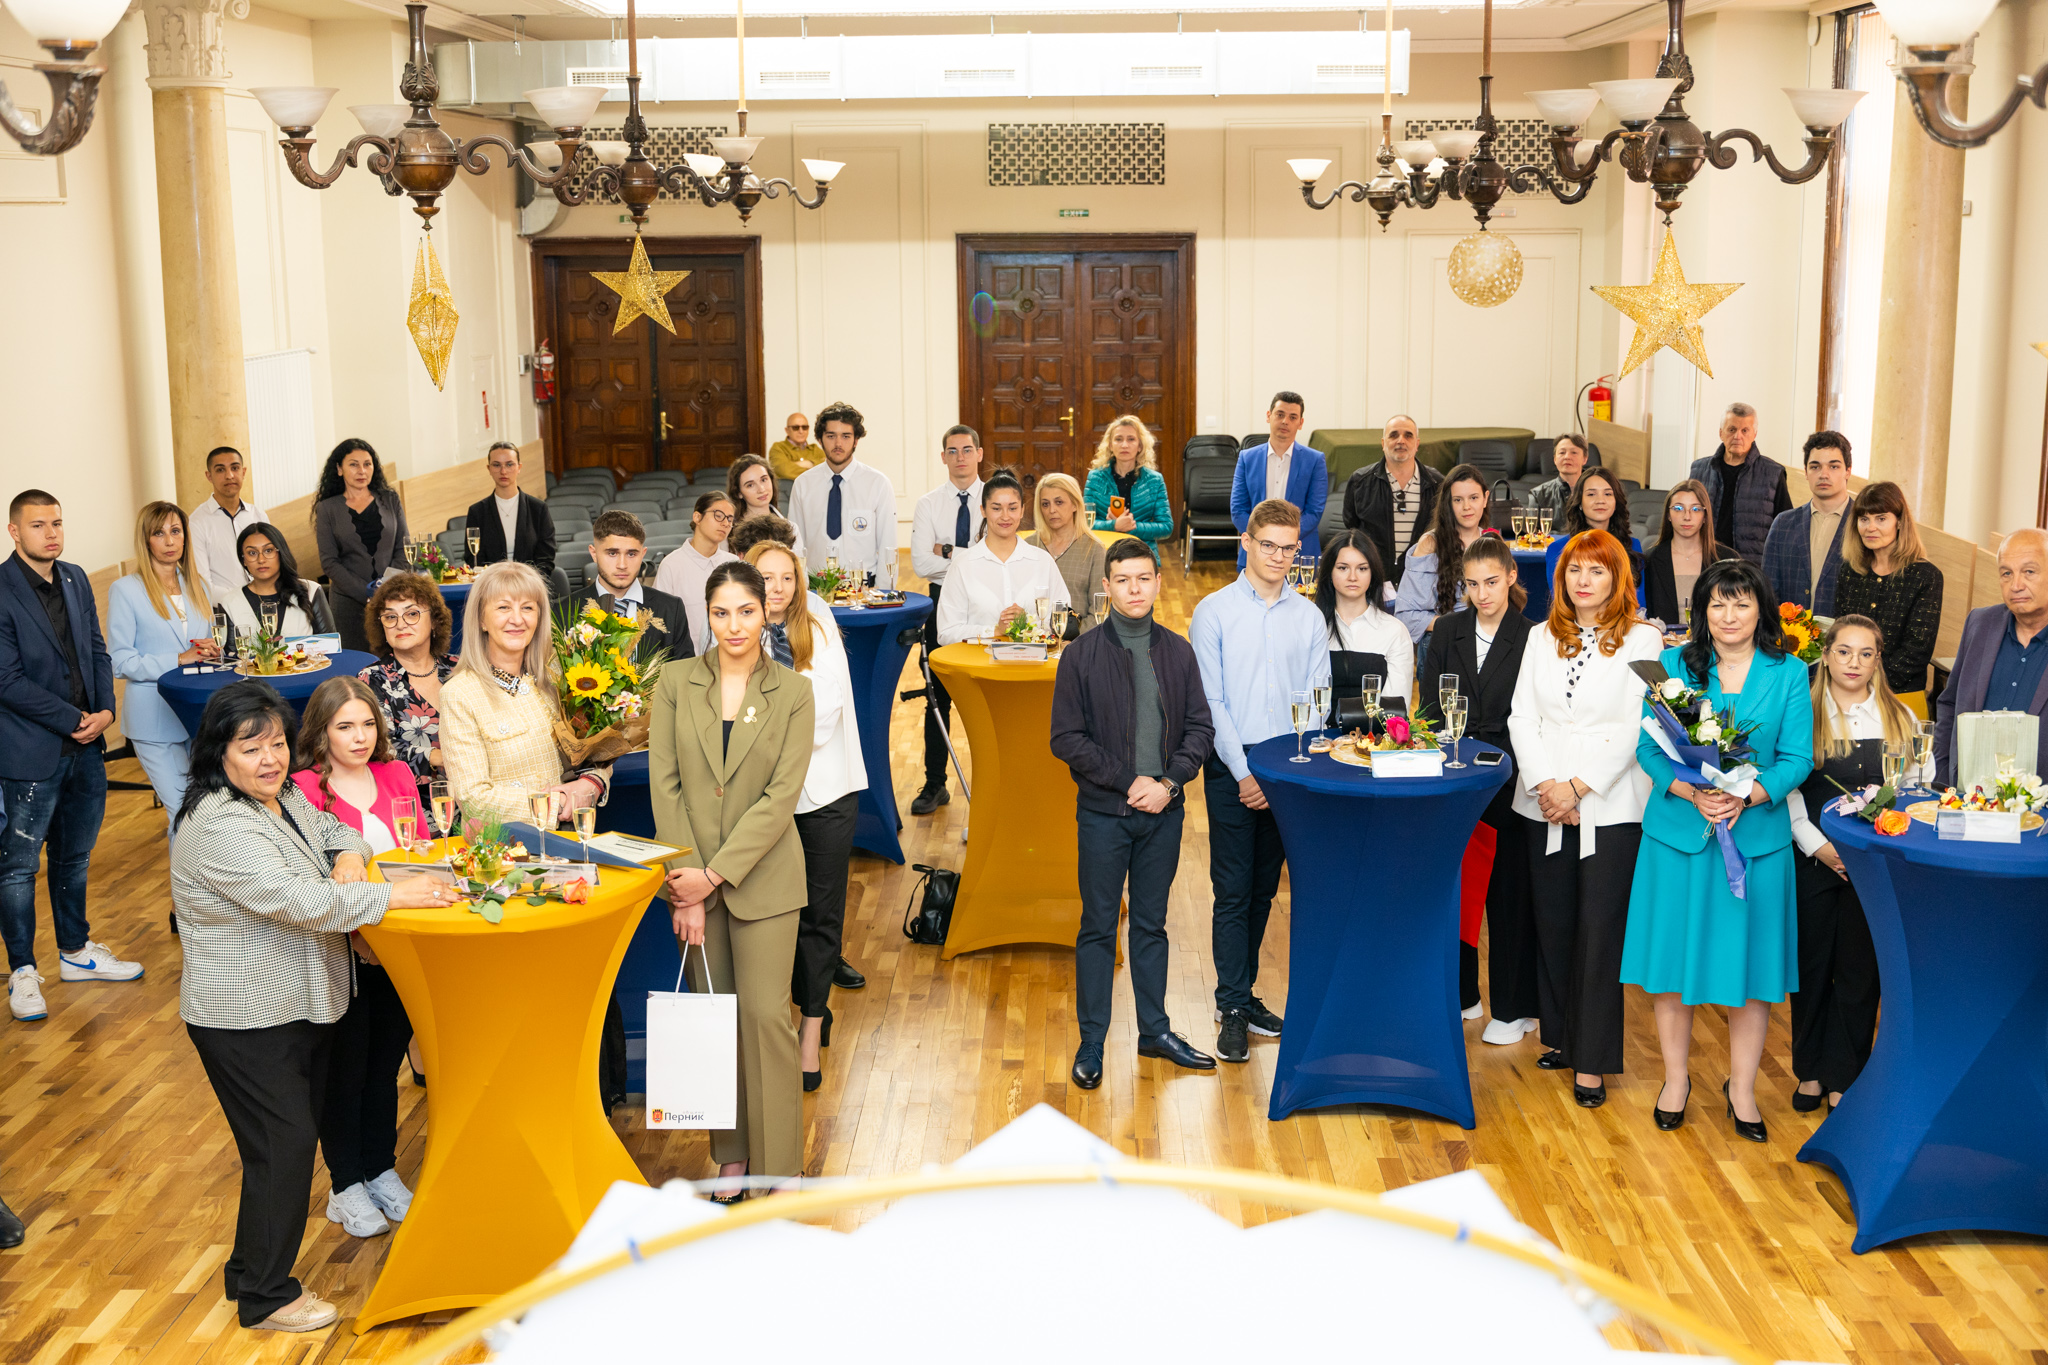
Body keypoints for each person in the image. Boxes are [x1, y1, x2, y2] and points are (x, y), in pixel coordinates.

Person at [171, 680, 457, 1332]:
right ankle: (268, 1296)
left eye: (276, 743)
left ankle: (248, 1272)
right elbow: (300, 901)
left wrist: (351, 857)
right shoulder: (219, 824)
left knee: (276, 1149)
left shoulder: (283, 797)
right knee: (287, 1146)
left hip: (302, 1002)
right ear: (219, 754)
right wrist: (394, 893)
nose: (270, 758)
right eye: (251, 748)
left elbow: (336, 829)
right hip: (246, 1015)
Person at [1622, 557, 1814, 1140]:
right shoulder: (1675, 665)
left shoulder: (1789, 672)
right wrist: (1692, 792)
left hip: (1755, 842)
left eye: (1742, 603)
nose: (1729, 615)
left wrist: (1747, 796)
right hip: (1678, 837)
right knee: (1672, 968)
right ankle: (1675, 1080)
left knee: (1749, 972)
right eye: (1718, 603)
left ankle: (1743, 1089)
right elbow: (1649, 748)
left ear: (1761, 610)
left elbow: (1798, 758)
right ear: (1702, 611)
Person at [649, 561, 814, 1199]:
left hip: (763, 880)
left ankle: (782, 1164)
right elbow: (667, 787)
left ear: (767, 611)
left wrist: (713, 875)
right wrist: (685, 882)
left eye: (746, 611)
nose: (734, 625)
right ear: (707, 615)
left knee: (766, 1018)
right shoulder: (674, 682)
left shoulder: (793, 692)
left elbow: (780, 798)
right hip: (690, 882)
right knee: (715, 1021)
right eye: (721, 613)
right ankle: (733, 1156)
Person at [1051, 537, 1217, 1088]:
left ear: (1158, 582)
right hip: (1104, 814)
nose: (1135, 589)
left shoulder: (1178, 652)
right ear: (1107, 586)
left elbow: (1200, 729)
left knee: (1151, 925)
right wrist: (1130, 782)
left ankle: (1155, 1032)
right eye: (1123, 580)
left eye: (1144, 578)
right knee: (1099, 927)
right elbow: (1066, 738)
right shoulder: (1080, 656)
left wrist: (1169, 784)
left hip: (1163, 813)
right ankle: (1092, 1041)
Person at [1505, 529, 1662, 1109]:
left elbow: (1640, 723)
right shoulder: (1541, 634)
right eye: (1574, 570)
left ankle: (1591, 1059)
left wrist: (1578, 786)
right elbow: (1521, 716)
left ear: (1617, 577)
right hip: (1543, 799)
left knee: (1599, 932)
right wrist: (1547, 785)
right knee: (1554, 921)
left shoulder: (1644, 638)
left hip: (1612, 804)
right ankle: (1561, 1035)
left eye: (1596, 570)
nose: (1583, 580)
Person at [1190, 498, 1332, 1063]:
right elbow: (1211, 701)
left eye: (1288, 547)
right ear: (1246, 542)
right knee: (1232, 889)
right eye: (1267, 544)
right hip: (1233, 763)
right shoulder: (1214, 612)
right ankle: (1230, 1006)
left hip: (1287, 767)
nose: (1277, 556)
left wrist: (1284, 769)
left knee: (1264, 890)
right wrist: (1246, 771)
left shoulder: (1308, 617)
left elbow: (1319, 699)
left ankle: (1244, 996)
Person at [290, 677, 421, 1239]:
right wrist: (359, 935)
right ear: (321, 731)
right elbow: (307, 884)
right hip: (342, 952)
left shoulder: (397, 774)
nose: (360, 736)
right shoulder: (301, 790)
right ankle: (345, 1185)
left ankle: (380, 1169)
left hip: (400, 947)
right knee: (345, 1072)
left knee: (384, 1066)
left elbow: (419, 856)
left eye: (368, 724)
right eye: (345, 726)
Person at [2, 490, 137, 1024]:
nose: (51, 533)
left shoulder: (77, 578)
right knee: (18, 867)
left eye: (56, 523)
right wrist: (72, 718)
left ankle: (76, 952)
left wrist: (105, 710)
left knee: (74, 857)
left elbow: (97, 651)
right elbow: (6, 681)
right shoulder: (2, 589)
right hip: (30, 751)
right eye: (38, 525)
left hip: (87, 746)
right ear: (15, 531)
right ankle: (21, 970)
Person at [1784, 615, 1922, 1113]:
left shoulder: (1899, 717)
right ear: (1826, 655)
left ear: (1878, 660)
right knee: (1812, 966)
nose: (1853, 663)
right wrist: (1817, 846)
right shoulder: (1803, 712)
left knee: (1861, 973)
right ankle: (1810, 1071)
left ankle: (1845, 1075)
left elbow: (1914, 789)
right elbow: (1788, 789)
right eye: (1844, 651)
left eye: (1866, 654)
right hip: (1814, 858)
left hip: (1873, 865)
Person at [744, 541, 863, 1092]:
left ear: (798, 583)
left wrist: (767, 743)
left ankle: (810, 1031)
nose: (776, 587)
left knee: (820, 916)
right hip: (758, 798)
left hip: (825, 792)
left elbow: (827, 707)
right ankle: (791, 1013)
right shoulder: (734, 628)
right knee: (773, 917)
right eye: (765, 577)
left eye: (785, 577)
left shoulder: (817, 623)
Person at [1422, 534, 1539, 1045]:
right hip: (1454, 779)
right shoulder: (1448, 630)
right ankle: (1462, 994)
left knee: (1509, 895)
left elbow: (1536, 715)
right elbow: (1429, 709)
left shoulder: (1533, 636)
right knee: (1456, 891)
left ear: (1512, 577)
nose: (1482, 594)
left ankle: (1514, 1008)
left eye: (1491, 582)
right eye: (1471, 584)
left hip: (1512, 779)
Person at [437, 562, 609, 828]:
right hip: (508, 845)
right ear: (481, 619)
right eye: (503, 607)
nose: (517, 619)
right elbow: (473, 798)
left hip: (574, 834)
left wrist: (592, 783)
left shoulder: (561, 675)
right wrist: (560, 804)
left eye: (527, 608)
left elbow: (600, 751)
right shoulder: (459, 694)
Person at [109, 502, 219, 836]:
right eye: (159, 533)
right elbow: (121, 662)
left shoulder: (198, 584)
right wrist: (179, 658)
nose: (170, 541)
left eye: (176, 531)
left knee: (205, 813)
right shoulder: (126, 590)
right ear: (146, 539)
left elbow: (201, 647)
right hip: (153, 719)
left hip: (196, 714)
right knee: (185, 816)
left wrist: (210, 652)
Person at [907, 425, 984, 815]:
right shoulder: (928, 504)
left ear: (979, 453)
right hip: (941, 604)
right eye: (952, 451)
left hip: (987, 605)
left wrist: (948, 550)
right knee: (937, 697)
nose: (960, 458)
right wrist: (974, 557)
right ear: (943, 458)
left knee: (988, 699)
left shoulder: (996, 499)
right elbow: (922, 563)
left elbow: (998, 558)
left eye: (967, 450)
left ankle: (992, 787)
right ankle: (935, 783)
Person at [1934, 527, 2048, 786]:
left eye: (2029, 572)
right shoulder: (1980, 623)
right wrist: (1943, 776)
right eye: (2007, 573)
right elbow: (1950, 703)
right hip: (1968, 794)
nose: (2016, 585)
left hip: (2039, 800)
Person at [1832, 481, 1944, 709]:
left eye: (1881, 518)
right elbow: (1839, 635)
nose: (1870, 527)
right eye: (1864, 519)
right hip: (1848, 694)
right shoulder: (1849, 571)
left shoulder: (1925, 576)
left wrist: (1866, 684)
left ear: (1899, 522)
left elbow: (1917, 651)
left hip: (1901, 699)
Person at [934, 471, 1072, 645]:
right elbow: (946, 633)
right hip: (979, 661)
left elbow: (1062, 623)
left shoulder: (1043, 562)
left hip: (1034, 661)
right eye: (996, 508)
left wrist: (1027, 625)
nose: (1005, 516)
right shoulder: (963, 565)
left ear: (1022, 511)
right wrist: (995, 630)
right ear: (983, 510)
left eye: (1012, 508)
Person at [358, 574, 458, 800]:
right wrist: (434, 756)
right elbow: (376, 750)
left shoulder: (459, 668)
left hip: (474, 796)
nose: (400, 624)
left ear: (434, 621)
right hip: (411, 804)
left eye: (412, 614)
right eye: (390, 617)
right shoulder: (372, 679)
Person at [313, 438, 410, 654]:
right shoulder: (327, 508)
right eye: (354, 464)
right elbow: (329, 562)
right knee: (357, 666)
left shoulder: (390, 499)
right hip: (348, 605)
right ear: (339, 469)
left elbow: (403, 548)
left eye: (367, 464)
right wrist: (367, 594)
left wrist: (385, 590)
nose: (362, 471)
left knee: (393, 662)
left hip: (392, 600)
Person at [787, 401, 898, 584]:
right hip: (816, 587)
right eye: (831, 436)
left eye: (846, 436)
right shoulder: (803, 484)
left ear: (856, 440)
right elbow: (796, 547)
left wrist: (883, 593)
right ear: (820, 439)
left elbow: (888, 546)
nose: (838, 443)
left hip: (863, 587)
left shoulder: (878, 484)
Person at [573, 510, 694, 667]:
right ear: (594, 553)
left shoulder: (671, 609)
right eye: (612, 553)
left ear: (643, 554)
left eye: (631, 554)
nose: (622, 565)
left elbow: (685, 672)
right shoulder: (563, 610)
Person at [1394, 463, 1493, 643]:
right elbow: (1407, 616)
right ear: (1448, 503)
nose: (1467, 507)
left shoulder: (1492, 542)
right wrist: (1461, 626)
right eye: (1458, 500)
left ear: (1485, 499)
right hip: (1444, 641)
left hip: (1485, 641)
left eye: (1473, 498)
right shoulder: (1430, 544)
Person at [1313, 529, 1412, 709]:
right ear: (1329, 572)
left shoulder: (1394, 630)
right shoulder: (1313, 627)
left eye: (1362, 568)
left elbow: (1396, 707)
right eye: (1343, 568)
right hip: (1319, 726)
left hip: (1376, 727)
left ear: (1373, 573)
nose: (1353, 577)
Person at [1342, 413, 1443, 586]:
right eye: (1394, 435)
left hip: (1421, 580)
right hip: (1373, 578)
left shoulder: (1437, 484)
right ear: (1383, 443)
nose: (1401, 441)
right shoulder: (1360, 482)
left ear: (1417, 444)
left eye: (1408, 435)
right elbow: (1352, 525)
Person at [1231, 391, 1328, 567]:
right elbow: (1238, 510)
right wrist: (1263, 540)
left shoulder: (1315, 460)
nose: (1285, 421)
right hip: (1255, 551)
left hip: (1299, 554)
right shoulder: (1247, 458)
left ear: (1300, 423)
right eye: (1280, 414)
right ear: (1269, 416)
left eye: (1292, 417)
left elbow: (1314, 512)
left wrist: (1282, 540)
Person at [1762, 431, 1854, 615]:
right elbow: (1768, 591)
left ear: (1848, 471)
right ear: (1805, 472)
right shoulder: (1783, 524)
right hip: (1790, 631)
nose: (1823, 474)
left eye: (1833, 466)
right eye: (1815, 467)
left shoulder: (1863, 525)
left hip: (1846, 631)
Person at [1688, 403, 1791, 563]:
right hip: (1705, 561)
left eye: (1745, 431)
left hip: (1751, 566)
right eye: (1732, 429)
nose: (1737, 436)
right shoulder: (1698, 470)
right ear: (1721, 433)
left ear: (1754, 434)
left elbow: (1785, 527)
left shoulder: (1773, 473)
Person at [1642, 480, 1737, 639]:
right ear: (1668, 515)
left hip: (1715, 645)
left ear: (1705, 516)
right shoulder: (1650, 560)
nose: (1687, 516)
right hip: (1664, 646)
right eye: (1678, 508)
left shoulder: (1727, 560)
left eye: (1696, 509)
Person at [650, 492, 739, 653]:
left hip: (730, 655)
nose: (726, 523)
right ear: (697, 517)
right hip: (685, 658)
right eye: (718, 515)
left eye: (730, 519)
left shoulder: (733, 563)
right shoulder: (671, 565)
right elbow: (659, 622)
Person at [1543, 467, 1643, 601]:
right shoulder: (1559, 549)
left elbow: (1639, 603)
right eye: (1591, 494)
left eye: (1608, 494)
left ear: (1616, 502)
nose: (1600, 500)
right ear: (1579, 502)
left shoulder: (1633, 546)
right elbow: (1561, 603)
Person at [224, 522, 335, 641]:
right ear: (243, 560)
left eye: (268, 550)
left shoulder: (311, 591)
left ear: (280, 553)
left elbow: (330, 644)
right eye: (252, 553)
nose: (261, 559)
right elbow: (230, 653)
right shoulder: (231, 602)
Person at [463, 441, 556, 576]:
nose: (503, 471)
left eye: (509, 464)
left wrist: (526, 583)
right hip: (491, 585)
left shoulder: (538, 509)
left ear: (519, 467)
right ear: (489, 469)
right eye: (496, 465)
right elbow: (473, 558)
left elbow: (546, 558)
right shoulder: (477, 512)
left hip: (530, 584)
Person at [188, 446, 268, 603]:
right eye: (220, 470)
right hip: (223, 609)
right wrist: (246, 599)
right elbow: (202, 585)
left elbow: (273, 566)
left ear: (243, 472)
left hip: (265, 604)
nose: (229, 475)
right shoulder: (197, 522)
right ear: (209, 476)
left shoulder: (258, 515)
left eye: (235, 468)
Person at [1083, 415, 1175, 552]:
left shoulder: (1155, 480)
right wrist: (1114, 526)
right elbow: (1084, 523)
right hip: (1104, 551)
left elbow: (1166, 527)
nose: (1124, 445)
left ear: (1140, 446)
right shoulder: (1095, 477)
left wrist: (1131, 527)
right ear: (1110, 445)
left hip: (1142, 552)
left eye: (1131, 439)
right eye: (1118, 439)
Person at [1037, 473, 1107, 630]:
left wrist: (1075, 640)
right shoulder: (1029, 546)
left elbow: (1099, 613)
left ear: (1075, 504)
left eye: (1059, 502)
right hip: (1031, 639)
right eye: (1045, 504)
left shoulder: (1094, 550)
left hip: (1079, 639)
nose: (1052, 510)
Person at [728, 454, 806, 557]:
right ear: (739, 493)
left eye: (764, 480)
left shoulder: (791, 528)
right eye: (750, 485)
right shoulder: (729, 529)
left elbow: (799, 565)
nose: (761, 489)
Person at [1525, 432, 1590, 516]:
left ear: (1585, 459)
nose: (1567, 457)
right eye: (1562, 452)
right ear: (1555, 459)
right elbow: (1532, 524)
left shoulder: (1598, 493)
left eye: (1574, 452)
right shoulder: (1539, 495)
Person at [768, 411, 824, 480]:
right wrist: (814, 468)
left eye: (804, 427)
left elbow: (828, 467)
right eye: (796, 428)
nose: (801, 431)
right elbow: (784, 471)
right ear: (787, 430)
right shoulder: (778, 448)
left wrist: (809, 463)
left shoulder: (815, 449)